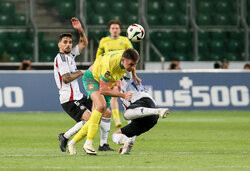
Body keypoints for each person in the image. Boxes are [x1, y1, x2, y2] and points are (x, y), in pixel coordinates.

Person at [53, 18, 112, 153]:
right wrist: (80, 72)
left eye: (69, 42)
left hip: (79, 96)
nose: (68, 45)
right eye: (65, 42)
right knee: (92, 119)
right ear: (59, 45)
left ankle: (103, 144)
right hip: (69, 99)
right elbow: (66, 79)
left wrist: (80, 30)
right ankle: (67, 137)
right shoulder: (61, 59)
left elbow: (84, 42)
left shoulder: (71, 55)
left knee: (106, 112)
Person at [67, 49, 141, 155]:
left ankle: (72, 142)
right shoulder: (110, 65)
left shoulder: (126, 58)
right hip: (92, 78)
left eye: (135, 65)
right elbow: (103, 90)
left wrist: (134, 74)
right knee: (101, 106)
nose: (133, 67)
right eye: (131, 65)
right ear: (123, 60)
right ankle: (88, 144)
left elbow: (131, 63)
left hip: (108, 82)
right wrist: (123, 95)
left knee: (96, 119)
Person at [111, 73, 170, 154]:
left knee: (126, 114)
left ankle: (158, 111)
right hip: (149, 118)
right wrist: (126, 145)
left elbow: (127, 69)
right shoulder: (124, 99)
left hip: (144, 101)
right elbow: (132, 125)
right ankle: (125, 143)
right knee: (115, 135)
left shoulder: (126, 78)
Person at [96, 20, 134, 129]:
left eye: (117, 28)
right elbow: (99, 56)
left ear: (120, 30)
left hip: (122, 72)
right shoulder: (104, 41)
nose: (115, 30)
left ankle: (117, 118)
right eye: (113, 28)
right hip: (108, 71)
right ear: (109, 30)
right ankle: (117, 118)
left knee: (115, 94)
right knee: (114, 95)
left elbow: (132, 55)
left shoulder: (125, 40)